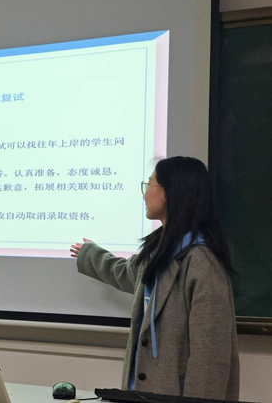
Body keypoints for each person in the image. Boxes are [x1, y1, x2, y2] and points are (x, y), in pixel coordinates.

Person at [70, 156, 239, 400]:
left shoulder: (202, 263)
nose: (144, 195)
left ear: (170, 192)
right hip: (142, 393)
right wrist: (91, 255)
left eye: (149, 185)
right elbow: (128, 274)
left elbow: (210, 357)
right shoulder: (159, 249)